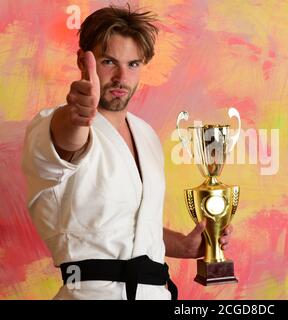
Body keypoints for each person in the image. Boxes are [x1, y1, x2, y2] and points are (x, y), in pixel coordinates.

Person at [21, 5, 232, 300]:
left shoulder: (146, 135)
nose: (121, 77)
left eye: (133, 64)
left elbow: (126, 225)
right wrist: (79, 115)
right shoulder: (55, 124)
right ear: (83, 61)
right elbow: (71, 143)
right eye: (109, 62)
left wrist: (181, 245)